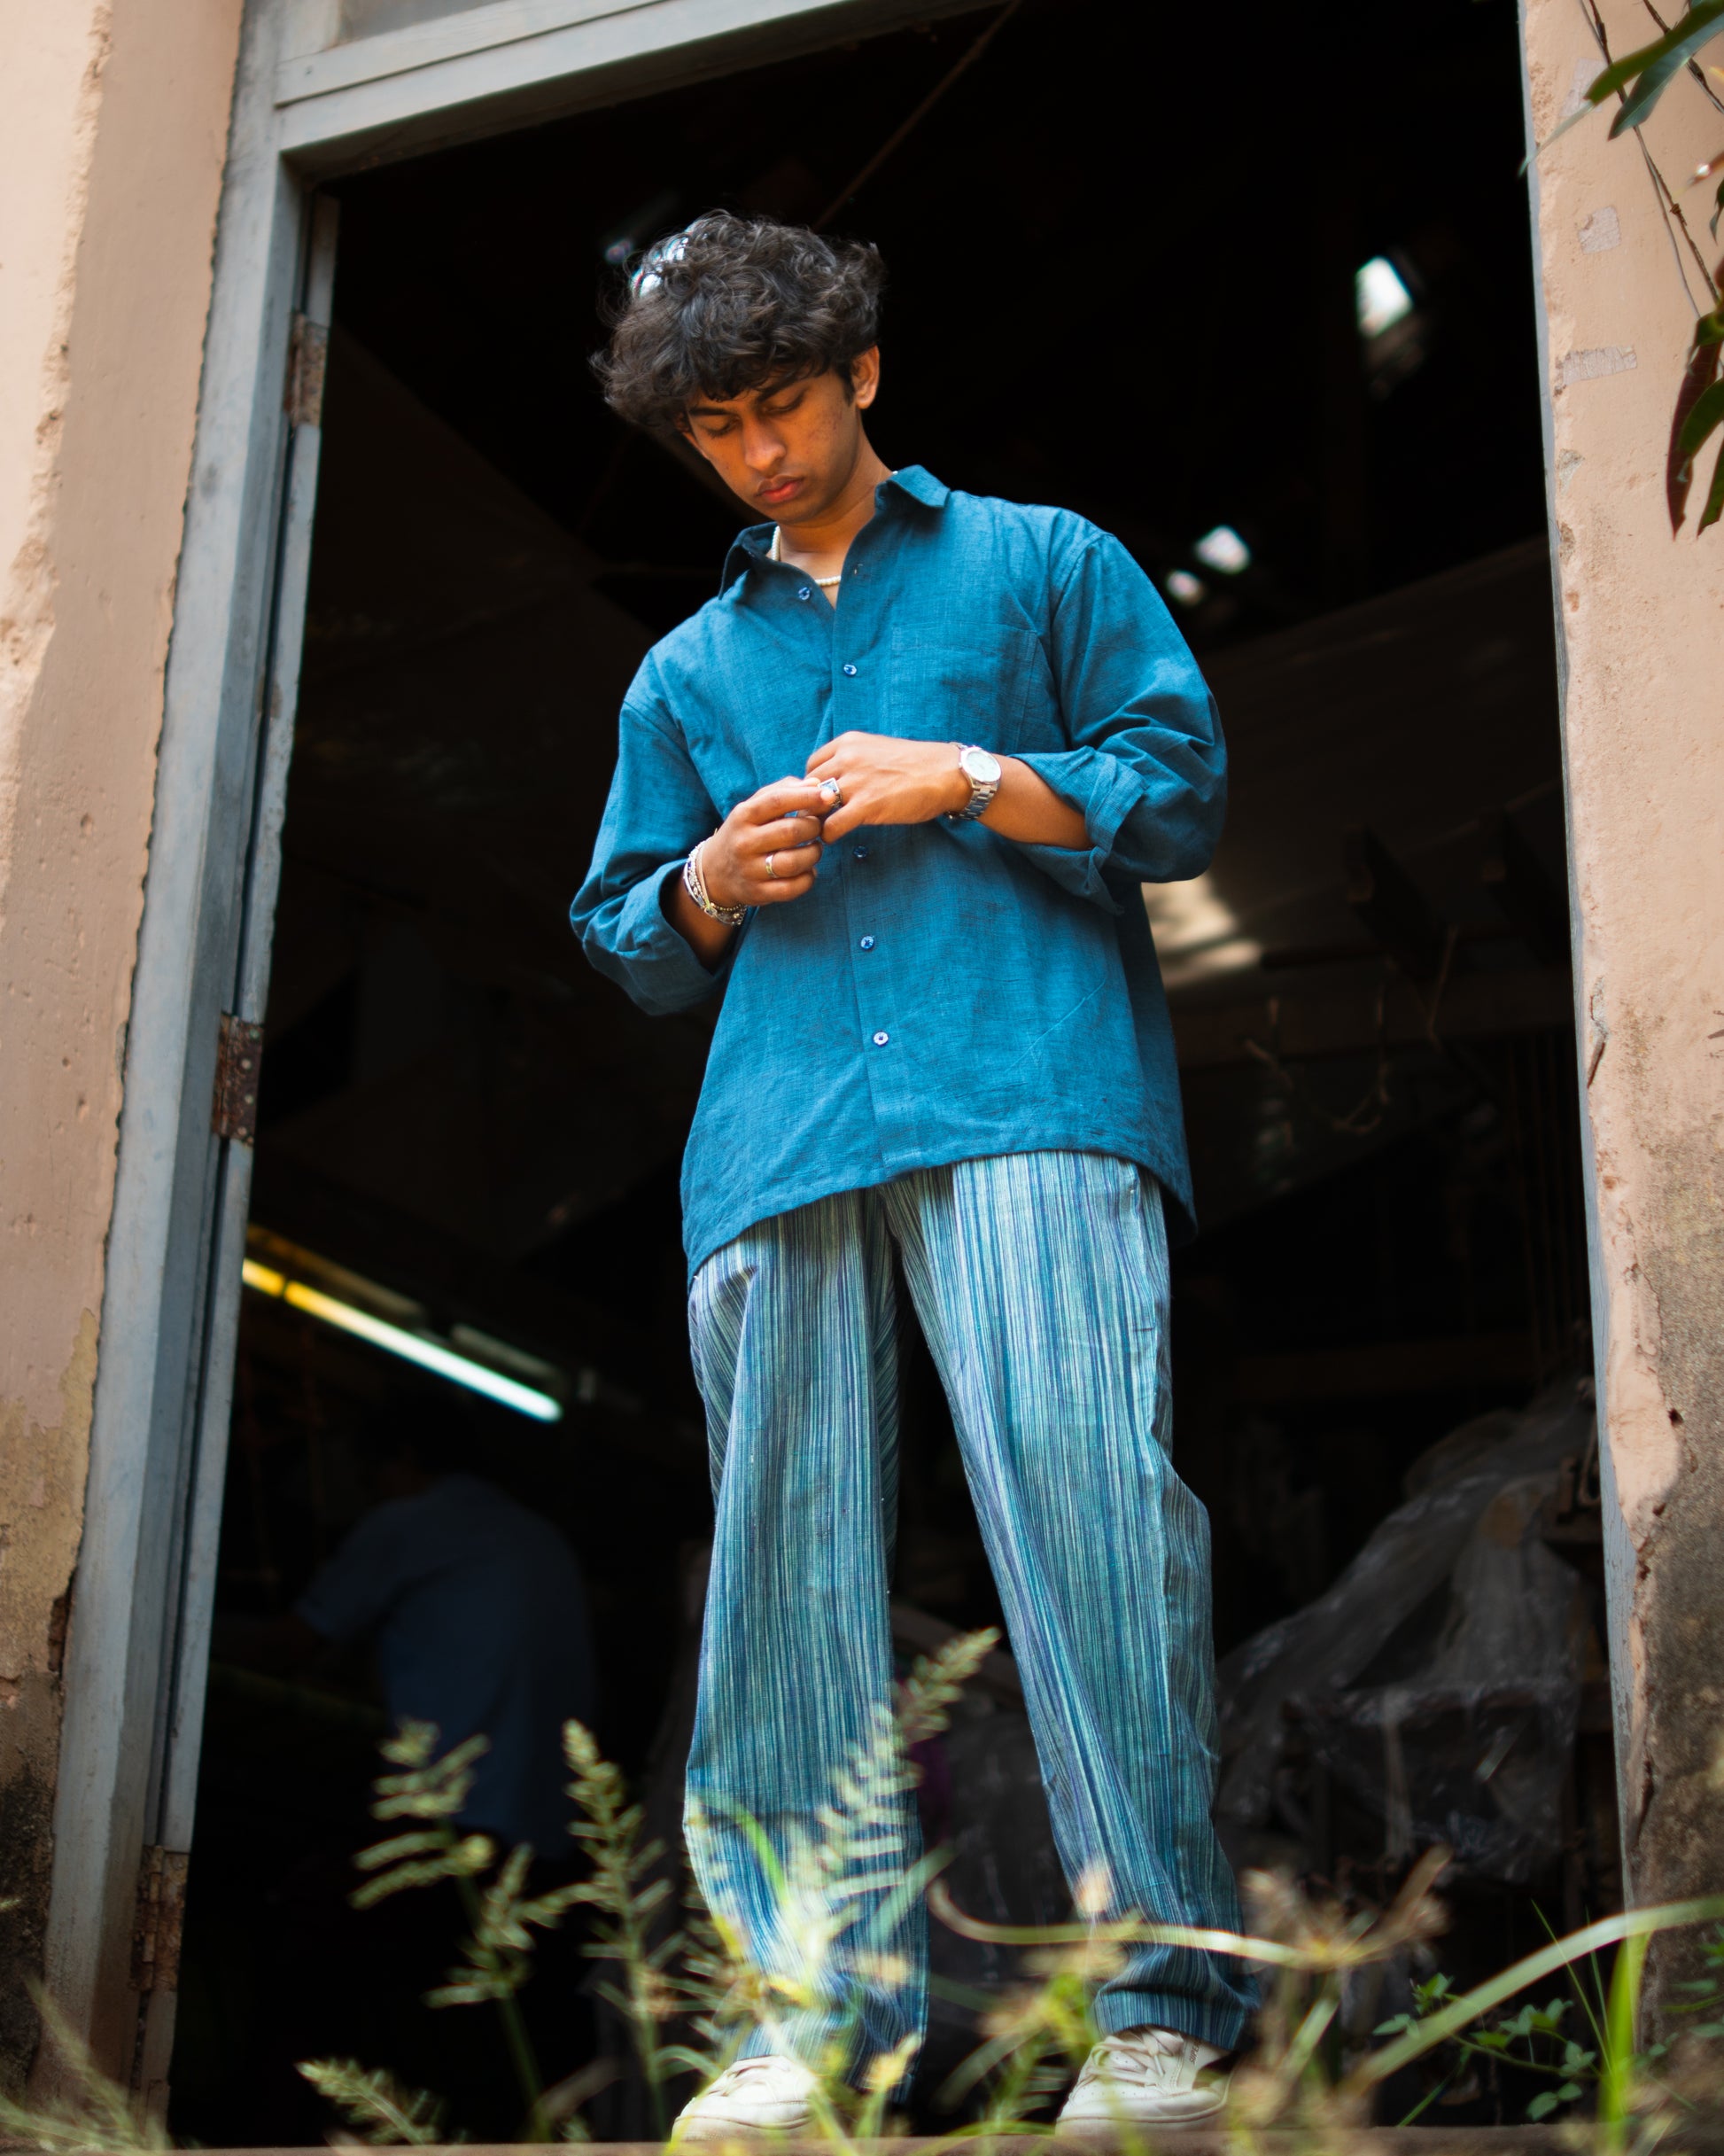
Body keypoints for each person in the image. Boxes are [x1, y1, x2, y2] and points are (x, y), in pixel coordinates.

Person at [571, 212, 1252, 2136]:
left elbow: (1180, 786)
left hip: (1026, 1087)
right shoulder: (685, 670)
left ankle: (1166, 2019)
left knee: (1093, 1522)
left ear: (860, 372)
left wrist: (968, 776)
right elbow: (624, 927)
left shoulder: (1045, 562)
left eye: (782, 403)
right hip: (778, 1138)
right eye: (716, 431)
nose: (760, 453)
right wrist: (707, 879)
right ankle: (803, 2027)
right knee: (781, 1581)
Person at [245, 1393, 597, 1854]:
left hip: (453, 1815)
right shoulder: (542, 1538)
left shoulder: (409, 1523)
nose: (368, 1491)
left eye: (370, 1476)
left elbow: (288, 1645)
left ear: (405, 1456)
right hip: (551, 1832)